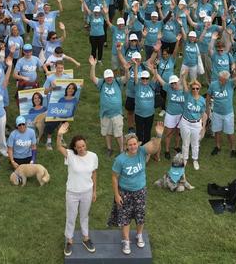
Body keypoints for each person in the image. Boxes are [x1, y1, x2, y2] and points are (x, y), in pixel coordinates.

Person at [108, 122, 164, 255]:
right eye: (130, 144)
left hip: (140, 191)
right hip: (124, 192)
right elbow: (114, 177)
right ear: (126, 146)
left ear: (137, 143)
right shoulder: (120, 160)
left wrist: (159, 135)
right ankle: (126, 240)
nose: (133, 146)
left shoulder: (142, 151)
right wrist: (116, 195)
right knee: (125, 217)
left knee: (140, 215)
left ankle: (139, 235)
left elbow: (155, 148)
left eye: (134, 144)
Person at [56, 122, 98, 257]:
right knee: (71, 217)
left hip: (87, 191)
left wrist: (94, 191)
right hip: (72, 193)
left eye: (83, 146)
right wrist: (59, 134)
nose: (81, 148)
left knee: (84, 216)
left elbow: (94, 174)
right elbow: (58, 147)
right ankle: (69, 240)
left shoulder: (93, 156)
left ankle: (86, 238)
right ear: (74, 147)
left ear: (86, 145)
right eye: (78, 147)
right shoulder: (70, 155)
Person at [89, 56, 125, 157]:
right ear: (105, 78)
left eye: (110, 77)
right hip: (105, 114)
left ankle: (122, 150)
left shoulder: (117, 82)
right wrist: (93, 66)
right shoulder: (102, 83)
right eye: (107, 77)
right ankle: (109, 148)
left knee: (118, 133)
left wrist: (126, 70)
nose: (109, 79)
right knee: (107, 132)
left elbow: (127, 78)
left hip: (117, 114)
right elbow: (92, 78)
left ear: (113, 77)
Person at [177, 72, 207, 170]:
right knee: (185, 142)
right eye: (193, 88)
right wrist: (183, 77)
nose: (195, 90)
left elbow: (203, 114)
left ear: (199, 89)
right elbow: (185, 86)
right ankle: (185, 159)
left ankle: (195, 160)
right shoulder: (187, 95)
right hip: (185, 122)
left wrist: (203, 127)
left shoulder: (202, 100)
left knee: (195, 143)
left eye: (197, 88)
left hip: (196, 124)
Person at [209, 70, 236, 157]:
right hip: (217, 113)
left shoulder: (230, 84)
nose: (222, 82)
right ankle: (217, 147)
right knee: (217, 131)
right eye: (220, 79)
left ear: (227, 79)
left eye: (224, 80)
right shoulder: (213, 84)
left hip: (228, 113)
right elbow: (208, 95)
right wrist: (207, 108)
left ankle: (233, 149)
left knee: (230, 132)